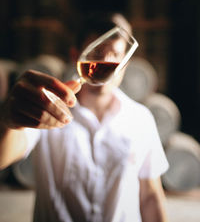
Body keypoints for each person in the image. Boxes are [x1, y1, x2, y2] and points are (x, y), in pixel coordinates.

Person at [0, 12, 169, 222]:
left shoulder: (141, 119)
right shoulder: (47, 108)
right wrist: (8, 122)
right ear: (75, 56)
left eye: (116, 54)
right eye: (97, 52)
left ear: (126, 63)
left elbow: (150, 196)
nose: (106, 61)